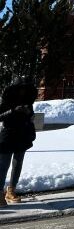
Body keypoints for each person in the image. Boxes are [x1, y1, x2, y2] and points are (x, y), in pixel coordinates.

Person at [0, 77, 37, 206]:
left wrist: (29, 113)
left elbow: (32, 116)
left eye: (25, 88)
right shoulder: (6, 99)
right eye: (21, 88)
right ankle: (0, 193)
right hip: (8, 135)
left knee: (18, 163)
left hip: (23, 135)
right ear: (15, 89)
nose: (23, 91)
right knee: (3, 165)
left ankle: (11, 190)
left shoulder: (28, 100)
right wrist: (13, 111)